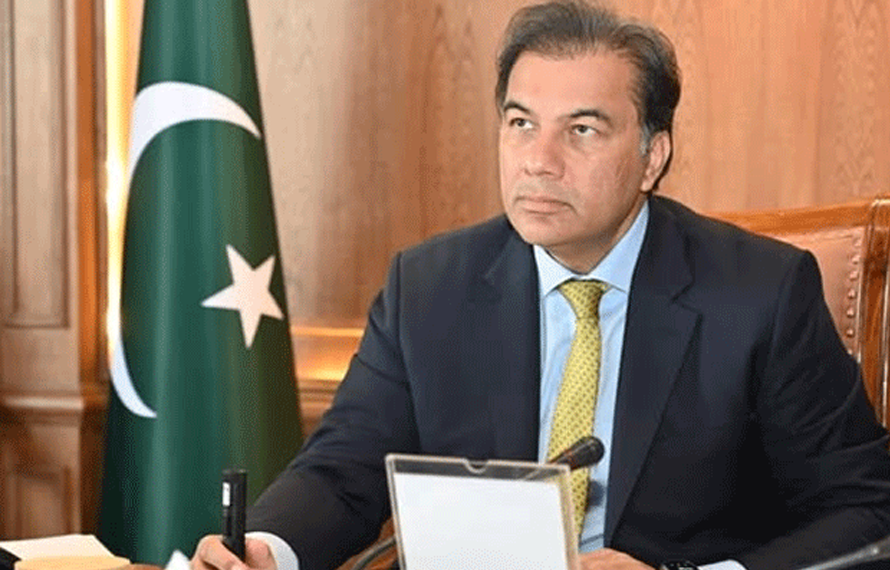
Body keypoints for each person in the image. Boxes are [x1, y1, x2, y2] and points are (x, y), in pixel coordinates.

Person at [193, 2, 890, 570]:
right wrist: (268, 547)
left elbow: (865, 509)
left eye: (581, 130)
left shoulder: (759, 294)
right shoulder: (429, 287)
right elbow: (343, 470)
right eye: (521, 124)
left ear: (652, 156)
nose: (539, 161)